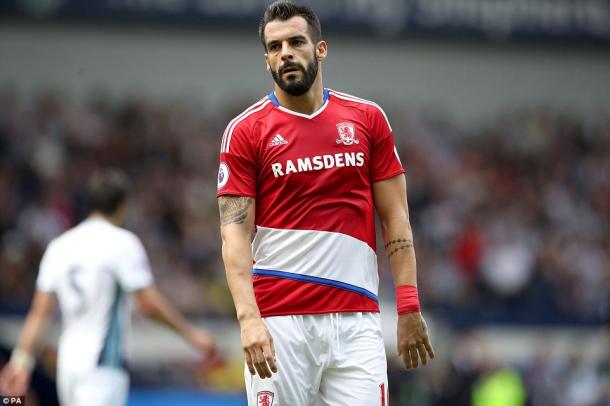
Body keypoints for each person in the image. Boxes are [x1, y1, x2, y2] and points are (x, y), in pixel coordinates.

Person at [217, 1, 434, 405]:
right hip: (280, 322)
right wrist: (248, 320)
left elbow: (397, 218)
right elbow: (233, 235)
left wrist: (408, 306)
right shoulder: (246, 132)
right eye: (275, 46)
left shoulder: (368, 120)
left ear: (320, 49)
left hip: (358, 321)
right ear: (266, 59)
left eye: (296, 42)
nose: (286, 53)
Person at [0, 169, 216, 406]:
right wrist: (191, 334)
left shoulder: (59, 247)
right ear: (123, 206)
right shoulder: (123, 243)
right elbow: (147, 304)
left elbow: (39, 313)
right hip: (103, 365)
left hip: (67, 367)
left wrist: (20, 361)